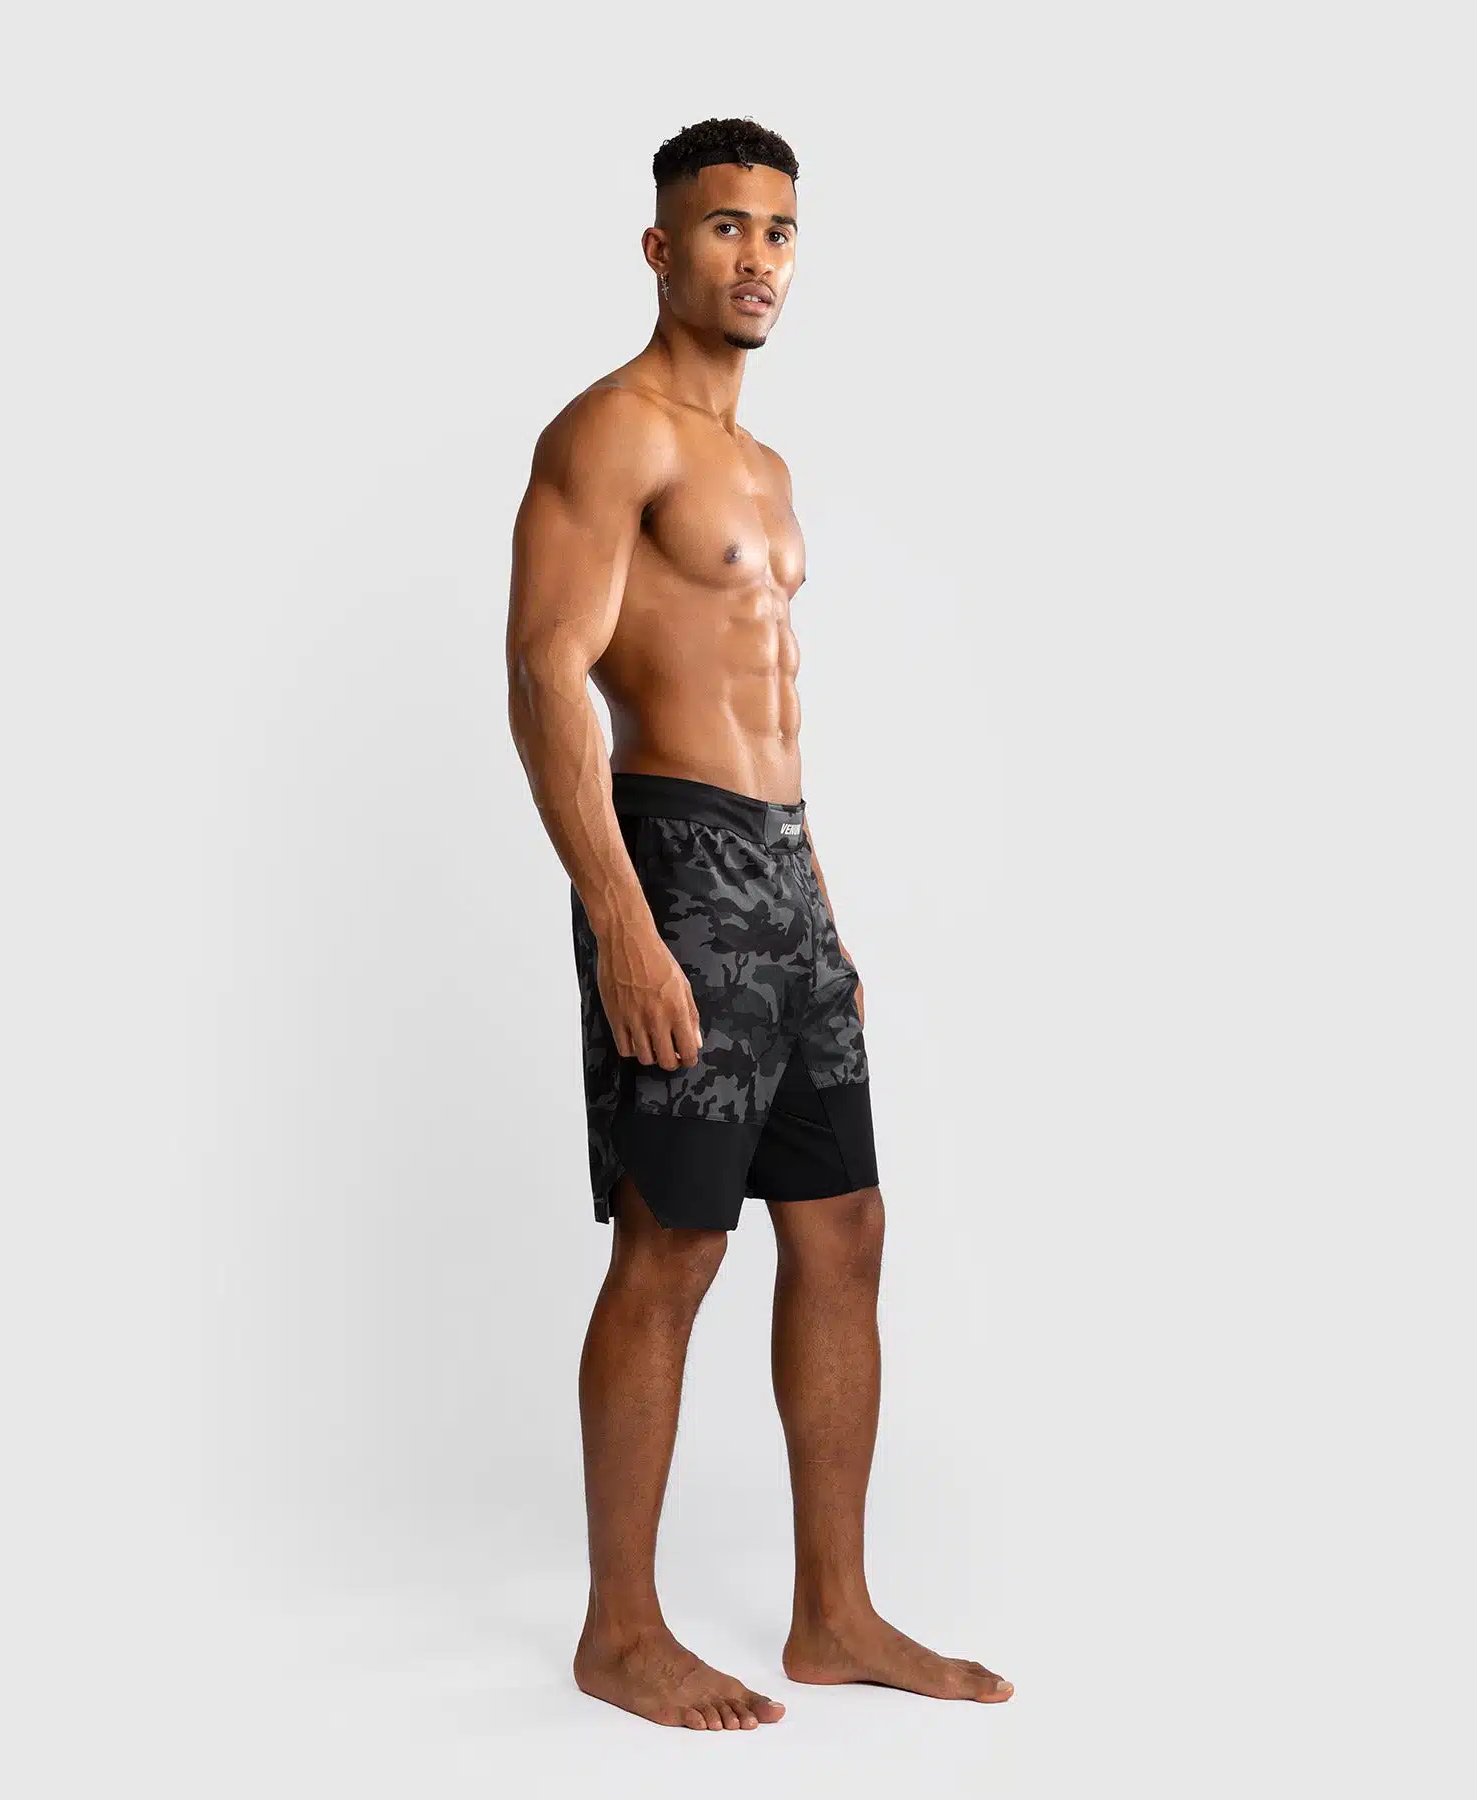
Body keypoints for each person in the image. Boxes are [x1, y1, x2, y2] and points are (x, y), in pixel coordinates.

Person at [506, 117, 1013, 1732]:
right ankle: (620, 1633)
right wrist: (622, 921)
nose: (757, 257)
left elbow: (771, 718)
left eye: (779, 231)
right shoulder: (611, 432)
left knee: (845, 1230)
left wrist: (821, 918)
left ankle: (834, 1613)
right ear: (662, 248)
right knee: (675, 1244)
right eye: (725, 226)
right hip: (673, 868)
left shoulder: (768, 472)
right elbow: (545, 675)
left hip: (785, 883)